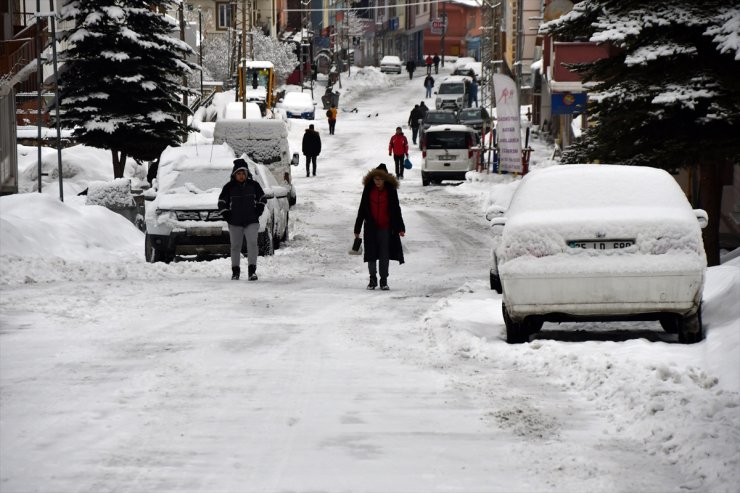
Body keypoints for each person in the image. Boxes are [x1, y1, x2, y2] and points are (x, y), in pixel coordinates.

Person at [354, 163, 406, 290]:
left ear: (385, 179)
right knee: (371, 254)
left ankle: (383, 280)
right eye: (375, 179)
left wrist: (401, 227)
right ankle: (372, 279)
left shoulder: (391, 191)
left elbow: (396, 209)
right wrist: (357, 228)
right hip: (371, 227)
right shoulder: (368, 189)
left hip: (386, 228)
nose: (377, 182)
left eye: (380, 179)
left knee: (384, 254)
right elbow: (362, 209)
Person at [218, 158, 267, 281]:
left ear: (247, 174)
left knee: (252, 244)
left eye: (243, 173)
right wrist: (227, 215)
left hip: (251, 220)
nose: (241, 176)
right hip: (235, 222)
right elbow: (222, 202)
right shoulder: (228, 187)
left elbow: (262, 198)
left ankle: (252, 271)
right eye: (238, 173)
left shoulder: (254, 185)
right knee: (235, 246)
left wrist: (258, 211)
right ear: (234, 174)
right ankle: (235, 272)